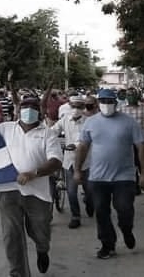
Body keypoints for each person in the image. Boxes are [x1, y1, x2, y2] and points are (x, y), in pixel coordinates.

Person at [74, 88, 144, 259]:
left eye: (110, 102)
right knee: (101, 212)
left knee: (124, 209)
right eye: (103, 102)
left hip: (124, 177)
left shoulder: (129, 122)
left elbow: (141, 147)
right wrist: (77, 170)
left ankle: (126, 229)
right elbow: (83, 147)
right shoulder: (91, 122)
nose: (106, 105)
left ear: (116, 103)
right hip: (97, 178)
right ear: (98, 103)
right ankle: (107, 245)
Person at [0, 97, 62, 275]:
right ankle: (18, 272)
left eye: (33, 107)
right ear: (18, 109)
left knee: (40, 230)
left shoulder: (48, 133)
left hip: (38, 193)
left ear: (39, 110)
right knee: (11, 234)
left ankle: (42, 249)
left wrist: (33, 174)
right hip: (9, 190)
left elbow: (55, 161)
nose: (29, 110)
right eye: (25, 106)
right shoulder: (5, 129)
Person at [51, 96, 93, 229]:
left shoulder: (89, 122)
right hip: (69, 161)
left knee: (90, 190)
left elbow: (89, 138)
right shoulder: (64, 120)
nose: (76, 110)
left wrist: (76, 145)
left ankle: (90, 203)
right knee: (71, 192)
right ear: (69, 106)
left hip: (86, 161)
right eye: (73, 106)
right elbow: (53, 131)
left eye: (79, 107)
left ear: (83, 108)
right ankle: (75, 216)